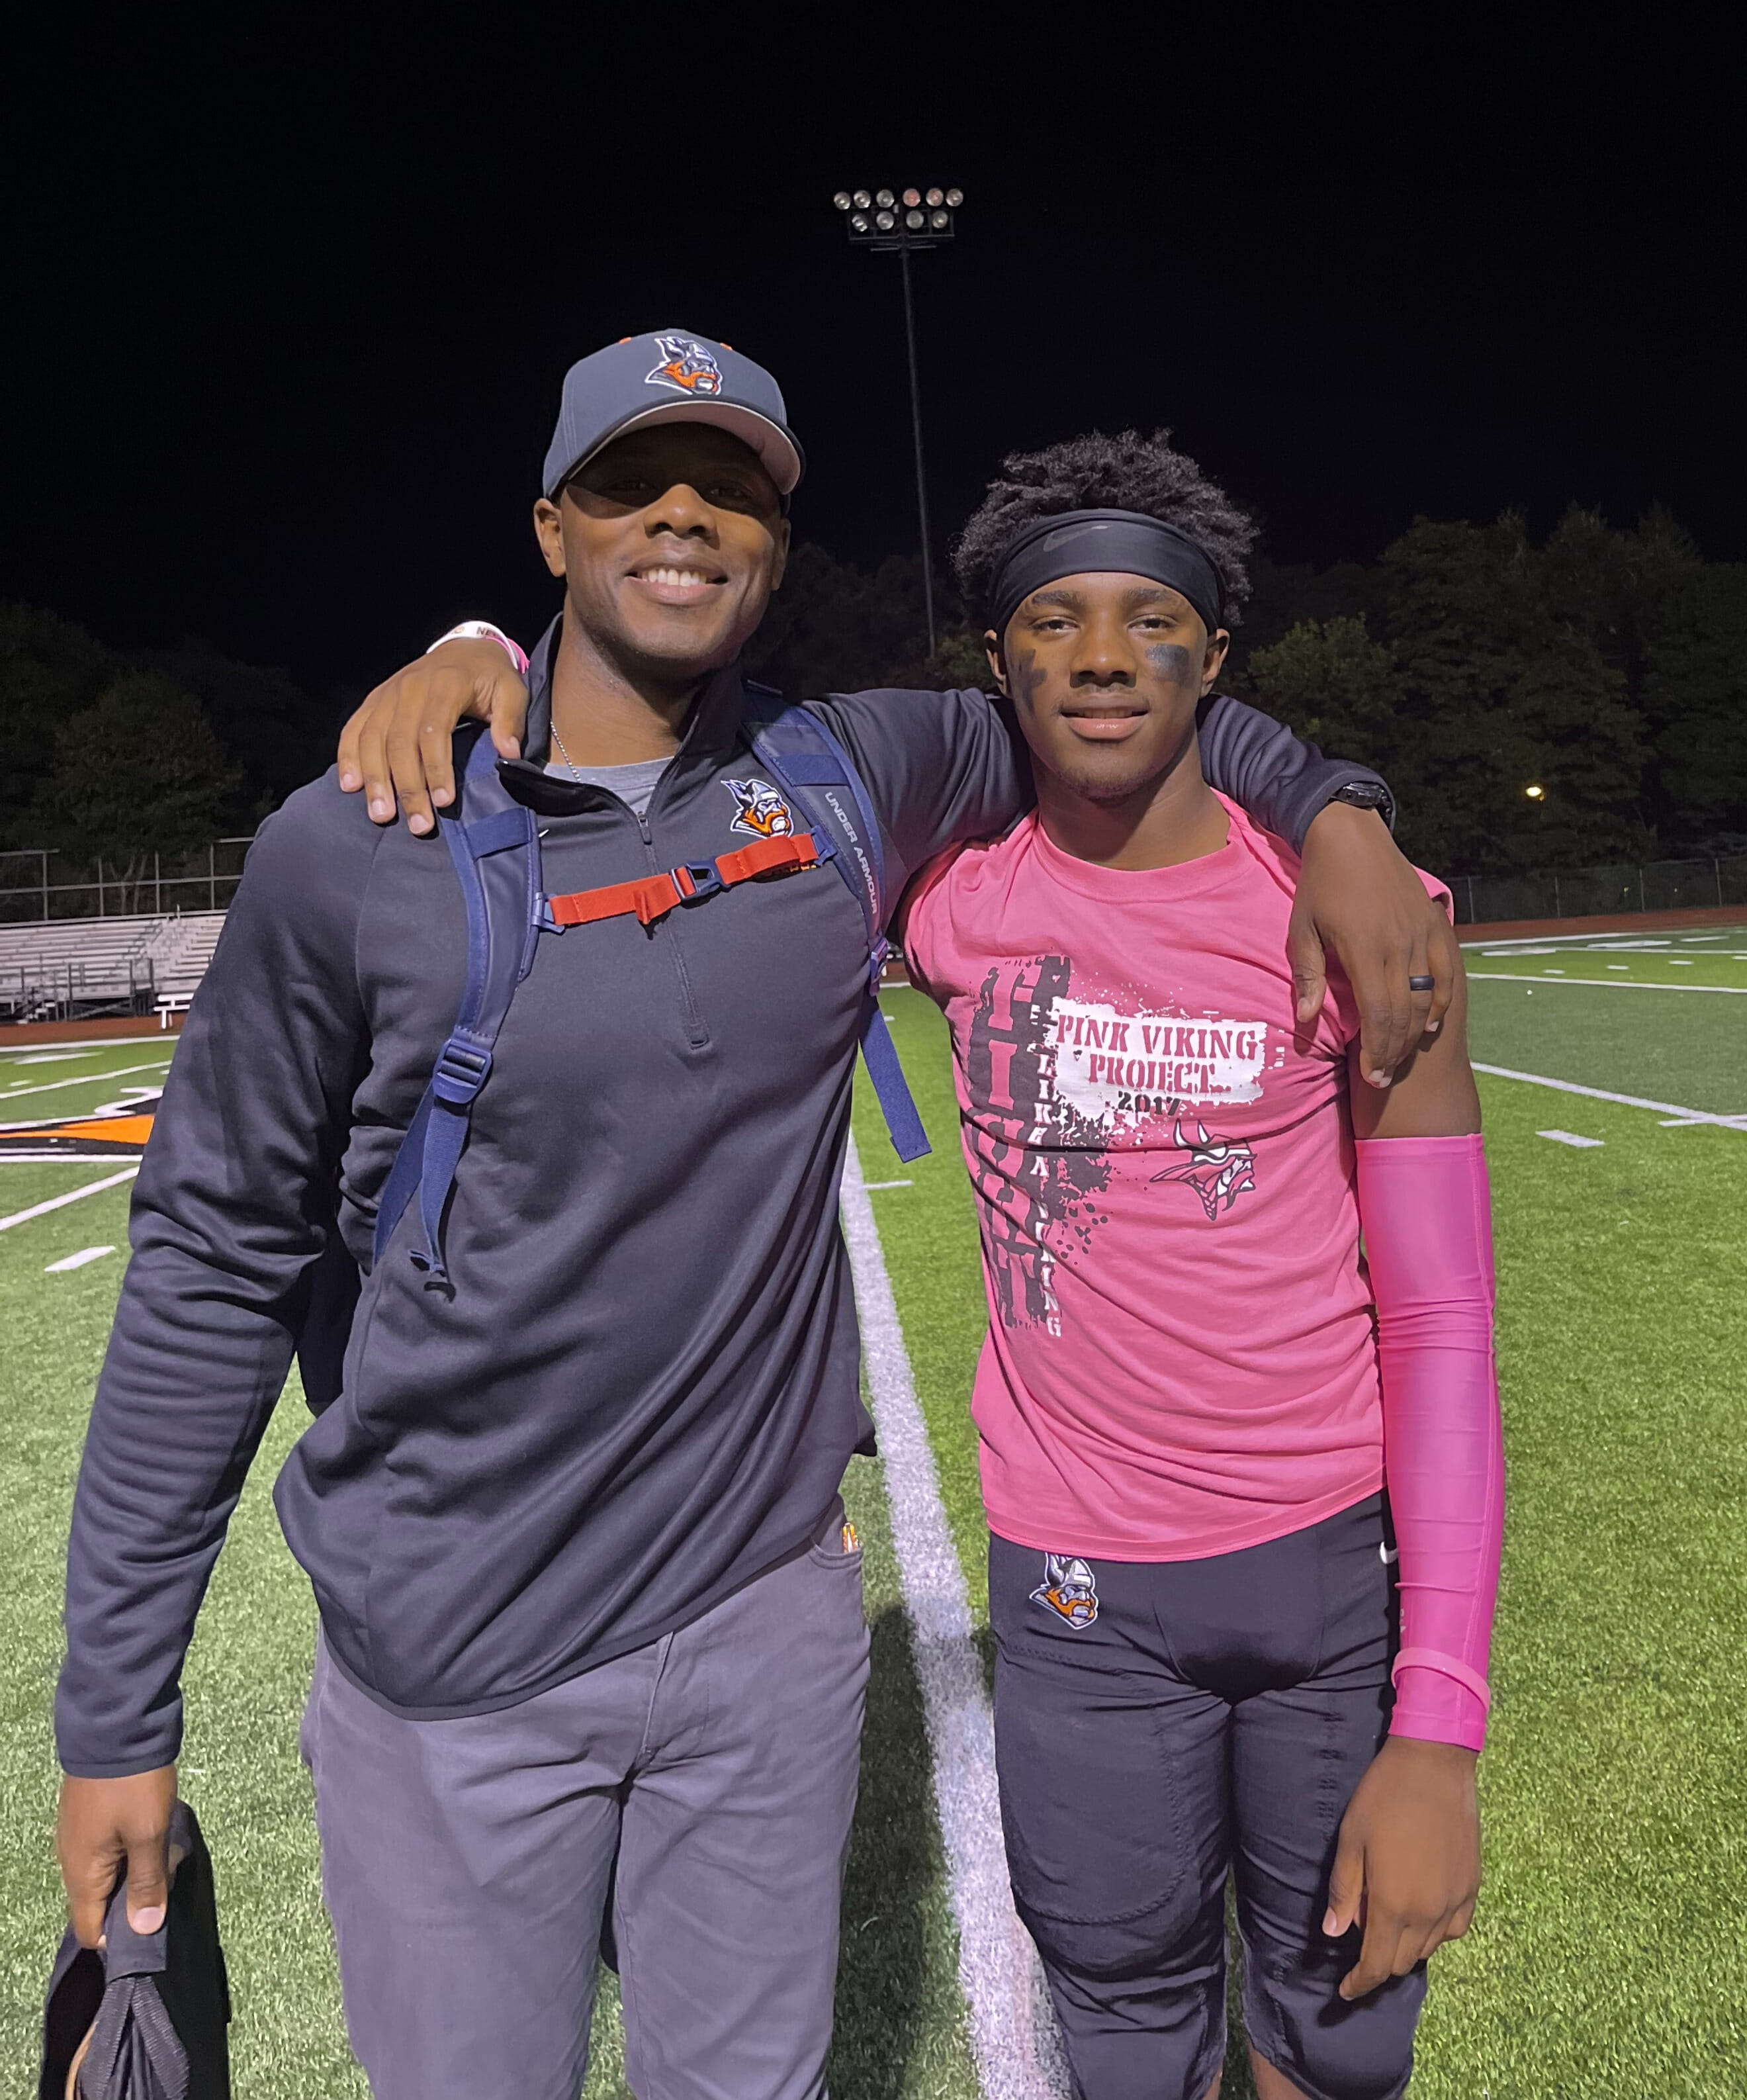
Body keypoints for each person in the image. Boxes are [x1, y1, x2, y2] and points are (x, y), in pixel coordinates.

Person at [55, 332, 1456, 2100]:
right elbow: (206, 1260)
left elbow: (1122, 681)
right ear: (550, 527)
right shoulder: (355, 842)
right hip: (456, 1670)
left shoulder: (854, 776)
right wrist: (116, 1712)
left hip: (763, 1637)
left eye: (730, 492)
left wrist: (1335, 807)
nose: (685, 519)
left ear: (776, 554)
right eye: (636, 484)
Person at [892, 434, 1501, 2100]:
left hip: (1329, 1585)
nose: (1101, 657)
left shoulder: (1372, 919)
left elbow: (1443, 1323)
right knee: (1127, 2027)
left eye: (1151, 617)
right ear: (999, 654)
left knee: (1340, 2043)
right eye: (1054, 620)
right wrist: (478, 647)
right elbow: (676, 762)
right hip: (1079, 1599)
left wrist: (1440, 1723)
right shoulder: (946, 894)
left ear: (1216, 655)